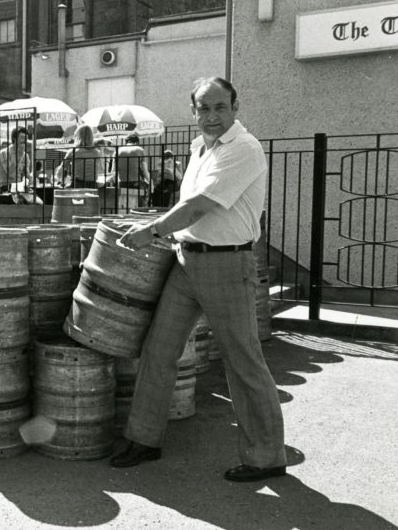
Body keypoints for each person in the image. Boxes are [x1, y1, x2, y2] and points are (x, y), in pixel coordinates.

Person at [111, 76, 285, 483]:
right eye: (203, 108)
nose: (211, 116)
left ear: (235, 108)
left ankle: (266, 457)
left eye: (220, 107)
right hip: (186, 261)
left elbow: (199, 205)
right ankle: (143, 440)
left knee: (243, 362)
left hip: (227, 265)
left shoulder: (243, 148)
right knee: (159, 350)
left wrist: (150, 231)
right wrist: (162, 230)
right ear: (193, 112)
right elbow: (187, 209)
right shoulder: (199, 148)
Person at [115, 134, 148, 208]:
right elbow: (145, 171)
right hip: (136, 182)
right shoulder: (139, 149)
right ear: (136, 142)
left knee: (125, 204)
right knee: (139, 205)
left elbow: (115, 171)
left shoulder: (118, 151)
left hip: (123, 182)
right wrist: (151, 183)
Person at [0, 127, 34, 192]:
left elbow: (27, 173)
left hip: (19, 186)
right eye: (22, 138)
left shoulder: (25, 155)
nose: (25, 140)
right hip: (6, 187)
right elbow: (10, 174)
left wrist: (31, 180)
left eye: (26, 138)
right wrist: (19, 155)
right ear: (14, 139)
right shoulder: (4, 153)